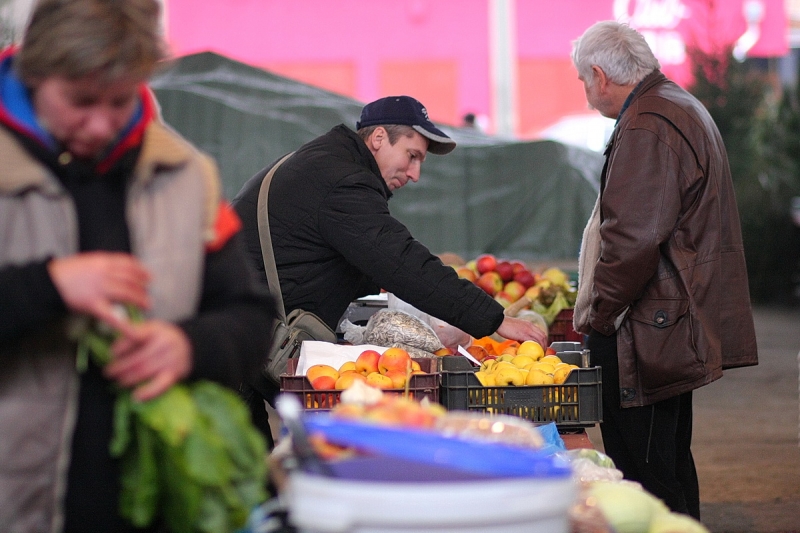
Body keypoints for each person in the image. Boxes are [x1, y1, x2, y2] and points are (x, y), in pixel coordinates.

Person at [0, 0, 274, 531]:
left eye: (120, 100)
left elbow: (249, 317)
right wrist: (48, 286)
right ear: (35, 72)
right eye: (80, 101)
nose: (100, 124)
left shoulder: (184, 175)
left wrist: (188, 345)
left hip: (146, 506)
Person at [233, 95, 547, 423]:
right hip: (234, 336)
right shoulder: (342, 180)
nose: (415, 174)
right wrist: (496, 320)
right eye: (412, 156)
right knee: (240, 454)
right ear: (379, 138)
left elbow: (355, 255)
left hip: (241, 329)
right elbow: (400, 262)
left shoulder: (326, 161)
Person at [570, 21, 758, 519]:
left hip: (647, 331)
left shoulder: (648, 124)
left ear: (599, 75)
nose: (586, 93)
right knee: (668, 464)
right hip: (669, 323)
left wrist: (599, 315)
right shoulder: (676, 104)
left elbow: (632, 240)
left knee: (646, 477)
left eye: (584, 82)